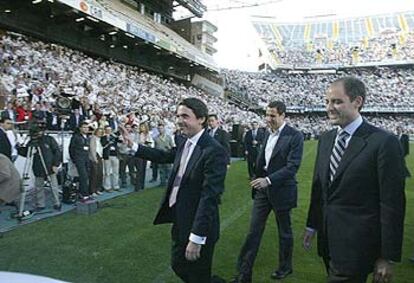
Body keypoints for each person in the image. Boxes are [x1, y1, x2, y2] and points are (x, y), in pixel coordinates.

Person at [303, 77, 406, 283]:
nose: (329, 108)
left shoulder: (384, 142)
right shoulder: (326, 139)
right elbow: (319, 188)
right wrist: (312, 225)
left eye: (337, 102)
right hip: (328, 241)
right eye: (327, 102)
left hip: (358, 247)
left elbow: (392, 204)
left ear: (357, 102)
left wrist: (387, 256)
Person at [124, 98, 227, 283]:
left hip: (199, 225)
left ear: (201, 119)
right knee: (178, 265)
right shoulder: (183, 141)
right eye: (178, 116)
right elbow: (164, 156)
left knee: (197, 276)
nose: (179, 120)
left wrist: (196, 238)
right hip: (180, 218)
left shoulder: (213, 150)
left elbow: (209, 197)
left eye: (185, 116)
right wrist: (134, 146)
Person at [231, 101, 304, 282]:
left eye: (273, 115)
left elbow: (292, 167)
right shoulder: (266, 134)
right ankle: (243, 274)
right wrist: (258, 177)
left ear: (283, 116)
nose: (268, 119)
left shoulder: (295, 136)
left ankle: (285, 267)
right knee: (253, 232)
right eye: (267, 114)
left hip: (282, 191)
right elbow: (264, 161)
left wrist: (268, 180)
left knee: (284, 232)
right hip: (263, 192)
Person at [17, 124, 62, 210]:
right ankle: (40, 204)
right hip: (38, 167)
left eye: (40, 130)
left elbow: (57, 152)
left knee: (54, 186)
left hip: (50, 166)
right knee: (39, 187)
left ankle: (57, 202)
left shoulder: (49, 139)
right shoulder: (31, 142)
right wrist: (19, 148)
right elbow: (28, 154)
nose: (39, 132)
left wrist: (56, 165)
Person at [69, 122, 91, 201]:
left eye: (87, 127)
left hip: (86, 159)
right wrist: (74, 160)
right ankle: (83, 194)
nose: (86, 129)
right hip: (79, 159)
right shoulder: (76, 137)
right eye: (84, 127)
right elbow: (71, 149)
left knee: (86, 176)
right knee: (83, 176)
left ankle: (84, 193)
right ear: (80, 128)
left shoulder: (88, 137)